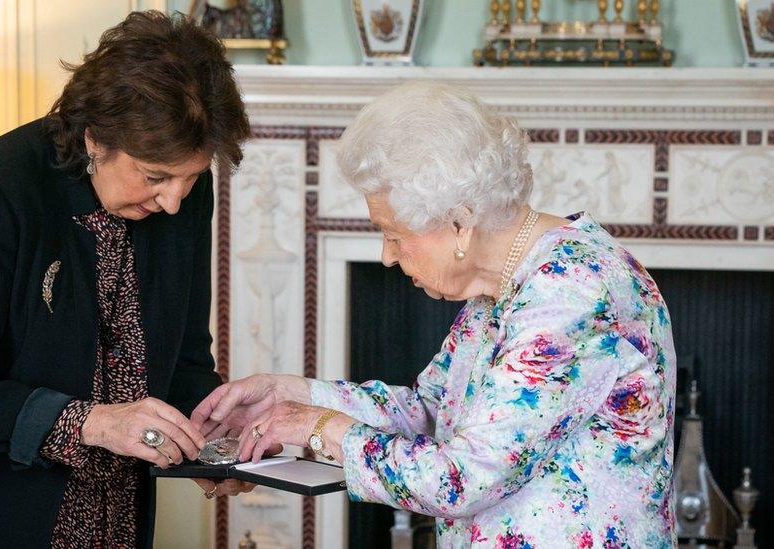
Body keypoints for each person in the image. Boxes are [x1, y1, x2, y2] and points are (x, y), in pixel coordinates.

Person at [193, 84, 677, 548]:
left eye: (393, 233)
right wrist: (292, 396)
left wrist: (319, 428)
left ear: (460, 222)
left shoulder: (572, 289)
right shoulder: (504, 287)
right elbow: (428, 412)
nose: (386, 255)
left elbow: (463, 478)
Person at [0, 12, 251, 549]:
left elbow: (182, 358)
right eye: (156, 177)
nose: (174, 200)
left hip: (112, 515)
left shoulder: (178, 196)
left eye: (193, 178)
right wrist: (92, 423)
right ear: (95, 138)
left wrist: (214, 434)